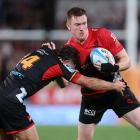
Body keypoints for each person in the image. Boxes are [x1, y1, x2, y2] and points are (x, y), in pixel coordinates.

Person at [0, 45, 125, 140]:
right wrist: (114, 86)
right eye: (72, 67)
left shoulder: (41, 51)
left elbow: (63, 84)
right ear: (68, 62)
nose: (71, 70)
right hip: (12, 102)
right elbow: (87, 82)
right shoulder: (60, 65)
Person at [65, 7, 140, 140]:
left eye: (84, 23)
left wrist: (114, 67)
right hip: (91, 98)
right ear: (68, 25)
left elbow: (127, 61)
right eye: (77, 24)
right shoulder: (69, 51)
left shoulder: (102, 35)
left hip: (117, 90)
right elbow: (64, 82)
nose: (82, 28)